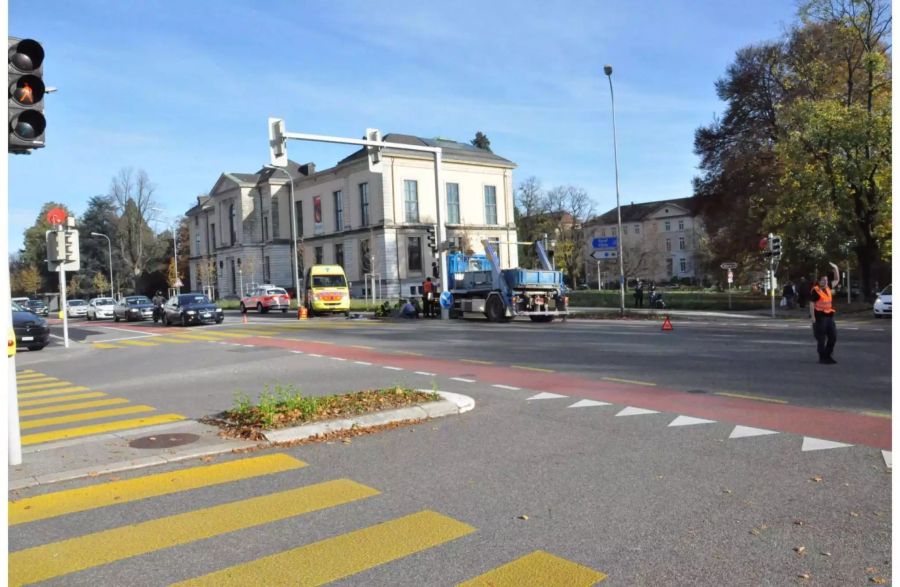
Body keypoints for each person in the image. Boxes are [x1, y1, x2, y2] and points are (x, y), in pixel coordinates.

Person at [809, 263, 840, 364]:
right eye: (823, 280)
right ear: (819, 281)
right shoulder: (816, 291)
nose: (825, 281)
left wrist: (836, 269)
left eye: (826, 280)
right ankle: (822, 357)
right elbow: (811, 304)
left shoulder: (828, 287)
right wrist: (813, 317)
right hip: (820, 317)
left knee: (833, 337)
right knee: (821, 339)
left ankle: (828, 355)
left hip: (829, 317)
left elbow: (836, 280)